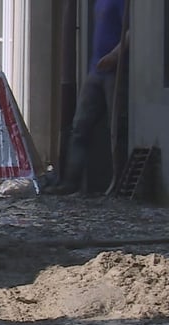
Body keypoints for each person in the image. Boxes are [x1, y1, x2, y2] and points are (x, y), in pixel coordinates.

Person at [46, 0, 128, 195]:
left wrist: (114, 56)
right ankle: (71, 182)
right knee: (80, 127)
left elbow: (130, 32)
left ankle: (118, 183)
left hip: (114, 72)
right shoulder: (98, 2)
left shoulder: (121, 2)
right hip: (95, 71)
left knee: (116, 129)